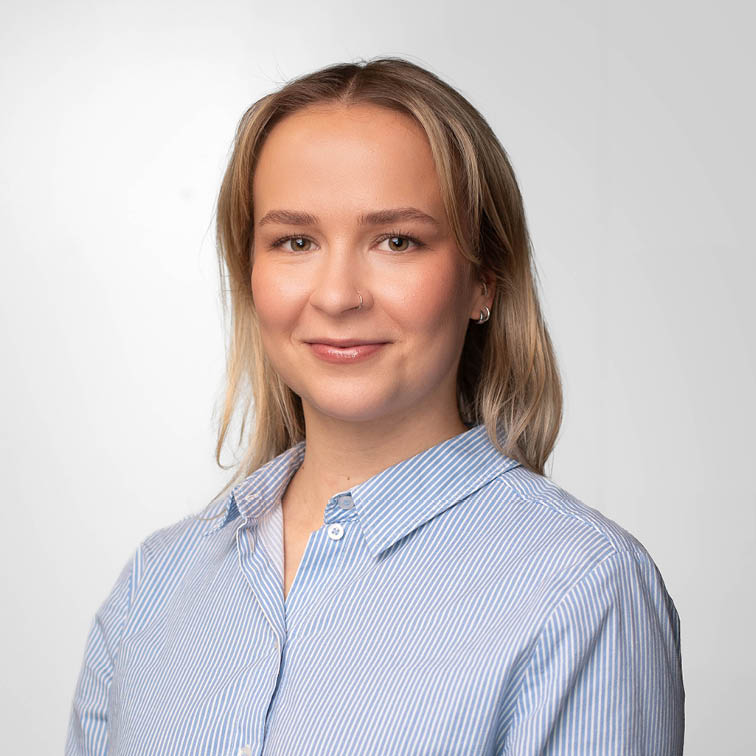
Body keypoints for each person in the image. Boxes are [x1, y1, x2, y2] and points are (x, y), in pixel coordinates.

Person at [65, 57, 685, 755]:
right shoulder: (155, 585)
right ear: (251, 273)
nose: (337, 296)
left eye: (397, 241)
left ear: (483, 280)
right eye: (296, 241)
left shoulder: (582, 587)